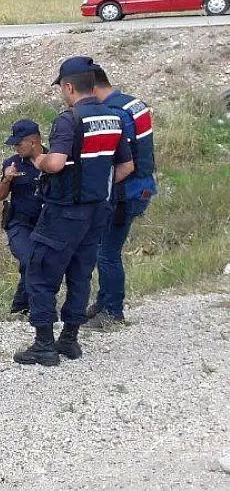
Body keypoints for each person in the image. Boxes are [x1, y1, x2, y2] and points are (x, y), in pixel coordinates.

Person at [14, 57, 133, 367]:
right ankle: (69, 339)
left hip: (64, 211)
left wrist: (38, 161)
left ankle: (44, 344)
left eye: (62, 88)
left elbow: (54, 163)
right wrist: (96, 186)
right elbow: (126, 166)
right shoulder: (114, 117)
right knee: (80, 274)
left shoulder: (70, 119)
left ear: (68, 87)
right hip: (98, 211)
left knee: (40, 274)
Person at [86, 65, 157, 330]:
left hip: (125, 193)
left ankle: (113, 311)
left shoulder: (115, 114)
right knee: (104, 249)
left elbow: (123, 163)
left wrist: (96, 187)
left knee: (107, 253)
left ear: (92, 88)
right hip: (142, 186)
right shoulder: (134, 103)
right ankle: (104, 302)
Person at [0, 119, 46, 315]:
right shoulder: (12, 164)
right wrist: (7, 179)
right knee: (29, 258)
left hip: (46, 225)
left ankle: (21, 307)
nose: (16, 147)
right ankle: (39, 309)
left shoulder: (54, 160)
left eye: (18, 143)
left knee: (40, 263)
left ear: (33, 141)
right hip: (19, 223)